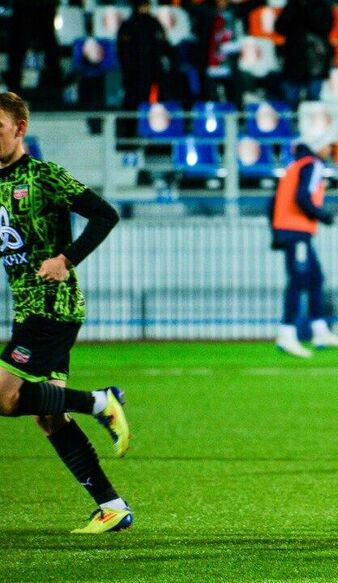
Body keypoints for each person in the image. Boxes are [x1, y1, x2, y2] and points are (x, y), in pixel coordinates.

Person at [0, 92, 132, 533]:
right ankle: (112, 506)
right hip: (27, 307)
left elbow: (105, 215)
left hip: (52, 306)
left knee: (3, 397)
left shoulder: (43, 176)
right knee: (49, 416)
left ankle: (100, 401)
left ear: (20, 129)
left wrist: (66, 259)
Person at [270, 132, 338, 358]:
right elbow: (302, 197)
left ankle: (319, 330)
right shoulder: (313, 165)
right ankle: (287, 333)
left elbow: (273, 202)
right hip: (297, 232)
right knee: (298, 280)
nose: (329, 150)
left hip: (291, 231)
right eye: (327, 146)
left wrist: (277, 233)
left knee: (314, 278)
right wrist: (323, 215)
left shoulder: (295, 165)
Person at [275, 0, 334, 107]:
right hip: (294, 59)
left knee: (313, 100)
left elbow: (326, 27)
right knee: (290, 99)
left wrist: (304, 12)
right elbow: (279, 27)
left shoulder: (322, 5)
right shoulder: (292, 5)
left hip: (316, 61)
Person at [117, 0, 173, 112]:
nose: (145, 9)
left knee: (158, 95)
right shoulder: (128, 25)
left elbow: (164, 45)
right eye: (142, 6)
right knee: (133, 98)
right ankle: (130, 121)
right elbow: (123, 50)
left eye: (146, 6)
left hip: (154, 69)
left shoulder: (154, 24)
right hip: (134, 71)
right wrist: (128, 67)